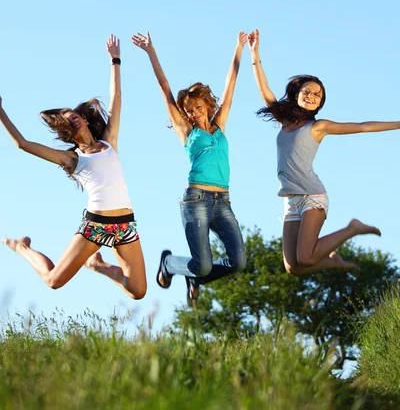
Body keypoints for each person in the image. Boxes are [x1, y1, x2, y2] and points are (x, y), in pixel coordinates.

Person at [1, 35, 146, 299]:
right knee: (53, 281)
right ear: (67, 131)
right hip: (96, 224)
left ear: (86, 120)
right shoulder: (73, 158)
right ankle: (22, 247)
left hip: (126, 223)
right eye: (69, 122)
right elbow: (23, 144)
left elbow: (117, 98)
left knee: (137, 291)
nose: (75, 121)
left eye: (76, 117)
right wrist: (1, 114)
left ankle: (98, 265)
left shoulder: (109, 142)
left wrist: (115, 60)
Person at [248, 28, 400, 275]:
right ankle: (334, 261)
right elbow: (264, 90)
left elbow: (363, 127)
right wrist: (254, 54)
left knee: (305, 257)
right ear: (297, 94)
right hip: (291, 199)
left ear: (320, 103)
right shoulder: (284, 122)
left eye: (317, 95)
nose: (311, 96)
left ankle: (352, 228)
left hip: (312, 196)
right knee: (293, 267)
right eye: (307, 91)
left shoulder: (317, 127)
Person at [132, 31, 247, 305]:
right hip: (196, 200)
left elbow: (231, 83)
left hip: (223, 201)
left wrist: (239, 48)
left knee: (238, 261)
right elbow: (164, 88)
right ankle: (170, 264)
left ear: (207, 105)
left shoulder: (219, 127)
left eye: (198, 107)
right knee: (204, 264)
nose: (195, 112)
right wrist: (151, 52)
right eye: (189, 110)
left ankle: (192, 276)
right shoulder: (187, 132)